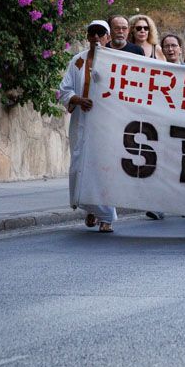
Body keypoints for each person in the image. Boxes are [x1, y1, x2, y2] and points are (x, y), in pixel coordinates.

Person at [58, 20, 117, 233]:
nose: (96, 37)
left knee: (102, 168)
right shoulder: (78, 61)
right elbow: (63, 89)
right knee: (80, 166)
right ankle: (91, 207)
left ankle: (107, 216)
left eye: (101, 33)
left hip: (106, 126)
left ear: (108, 37)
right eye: (92, 33)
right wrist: (77, 99)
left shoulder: (117, 62)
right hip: (82, 123)